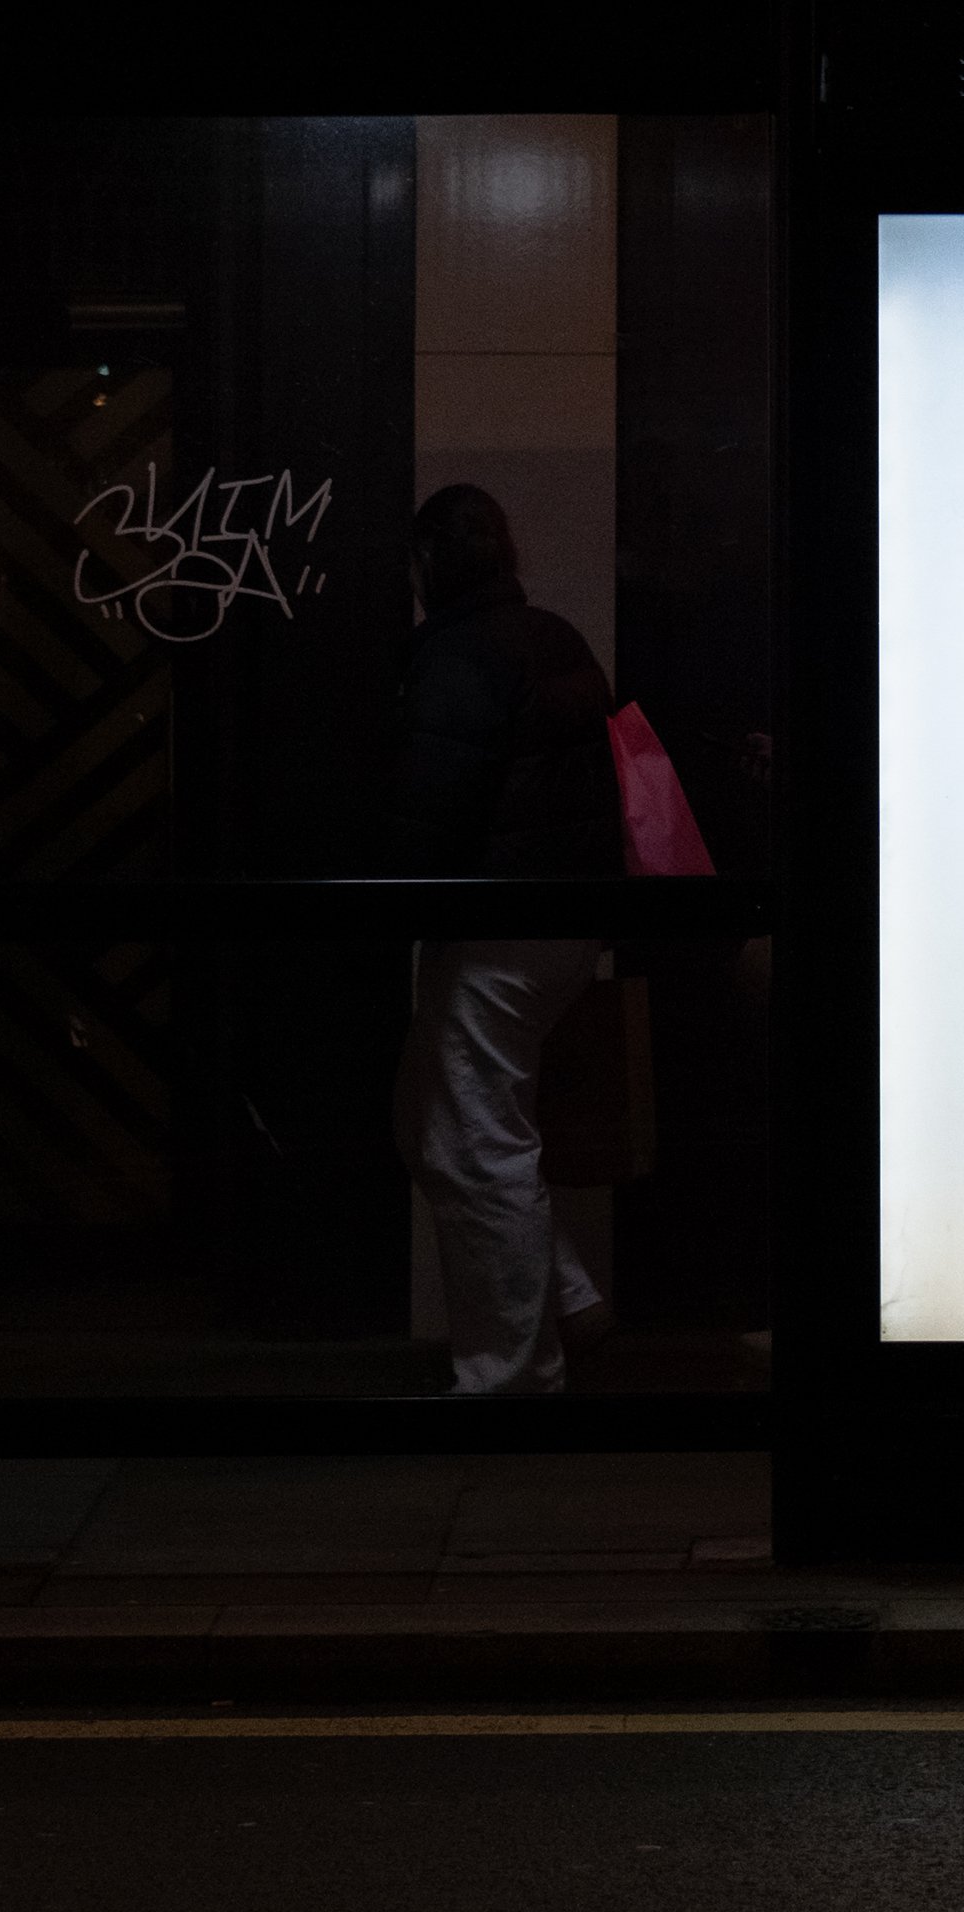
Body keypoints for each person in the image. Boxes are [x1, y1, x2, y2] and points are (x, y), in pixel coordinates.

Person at [390, 483, 622, 1396]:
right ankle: (569, 1300)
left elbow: (431, 807)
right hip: (567, 921)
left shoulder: (456, 655)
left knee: (474, 1137)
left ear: (428, 565)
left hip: (495, 928)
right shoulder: (552, 637)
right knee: (432, 1115)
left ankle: (513, 1375)